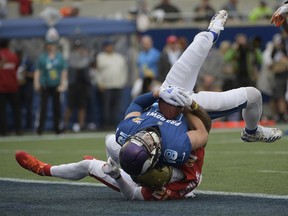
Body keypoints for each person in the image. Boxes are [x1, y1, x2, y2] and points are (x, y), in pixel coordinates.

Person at [15, 10, 283, 201]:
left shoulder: (127, 133)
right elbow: (204, 131)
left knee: (109, 143)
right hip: (189, 113)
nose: (146, 137)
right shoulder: (175, 148)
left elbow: (135, 104)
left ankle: (44, 169)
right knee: (254, 95)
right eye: (149, 144)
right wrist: (190, 104)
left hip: (161, 108)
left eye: (141, 139)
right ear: (157, 157)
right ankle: (251, 131)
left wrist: (156, 94)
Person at [34, 30, 68, 135]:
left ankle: (57, 128)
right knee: (43, 107)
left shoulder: (59, 57)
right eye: (48, 45)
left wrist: (63, 83)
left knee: (57, 108)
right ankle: (40, 129)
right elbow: (38, 70)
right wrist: (37, 83)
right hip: (45, 85)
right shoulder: (43, 57)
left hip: (56, 85)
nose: (50, 46)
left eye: (52, 44)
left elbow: (63, 70)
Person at [96, 40, 128, 129]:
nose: (109, 48)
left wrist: (122, 81)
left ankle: (114, 124)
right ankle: (106, 124)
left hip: (117, 85)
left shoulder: (119, 57)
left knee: (116, 106)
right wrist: (99, 82)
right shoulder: (101, 57)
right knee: (106, 106)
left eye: (110, 46)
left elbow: (124, 70)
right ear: (104, 47)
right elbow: (97, 71)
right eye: (107, 46)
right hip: (106, 86)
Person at [63, 39, 92, 132]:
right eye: (77, 47)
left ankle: (81, 125)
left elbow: (89, 62)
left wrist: (85, 54)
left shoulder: (85, 56)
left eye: (80, 47)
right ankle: (65, 125)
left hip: (83, 84)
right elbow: (75, 64)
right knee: (70, 105)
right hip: (73, 84)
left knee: (82, 106)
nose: (78, 49)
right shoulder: (71, 56)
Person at [0, 38, 22, 136]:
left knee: (2, 110)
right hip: (13, 86)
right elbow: (16, 67)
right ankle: (19, 130)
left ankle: (4, 131)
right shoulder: (13, 56)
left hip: (2, 87)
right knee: (16, 110)